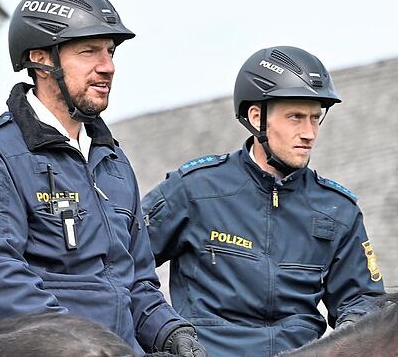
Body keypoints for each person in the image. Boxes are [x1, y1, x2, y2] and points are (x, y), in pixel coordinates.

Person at [0, 0, 206, 356]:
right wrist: (78, 346)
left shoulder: (113, 163)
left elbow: (136, 284)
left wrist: (171, 333)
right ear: (40, 58)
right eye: (89, 52)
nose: (108, 66)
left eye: (111, 52)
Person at [141, 46, 385, 356]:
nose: (309, 133)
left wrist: (353, 329)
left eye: (314, 118)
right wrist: (165, 329)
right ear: (257, 118)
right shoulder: (194, 189)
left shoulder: (339, 210)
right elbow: (125, 263)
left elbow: (364, 299)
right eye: (296, 117)